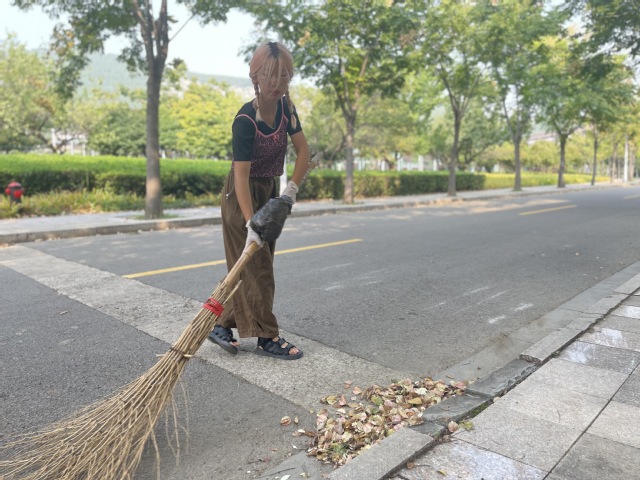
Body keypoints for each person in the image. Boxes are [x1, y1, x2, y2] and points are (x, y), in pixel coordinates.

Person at [207, 41, 310, 360]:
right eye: (269, 75)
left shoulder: (287, 109)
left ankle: (220, 324)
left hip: (269, 190)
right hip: (241, 196)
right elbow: (240, 175)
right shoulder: (245, 120)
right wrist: (251, 222)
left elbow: (303, 152)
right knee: (259, 267)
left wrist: (290, 192)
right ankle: (267, 336)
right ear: (256, 77)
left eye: (284, 76)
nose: (277, 83)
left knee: (249, 265)